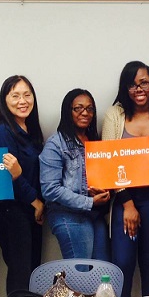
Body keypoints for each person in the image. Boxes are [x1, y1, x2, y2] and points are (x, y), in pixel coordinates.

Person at [102, 61, 149, 297]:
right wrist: (128, 204)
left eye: (144, 82)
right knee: (122, 262)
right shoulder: (114, 117)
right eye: (133, 84)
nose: (139, 89)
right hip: (126, 200)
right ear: (125, 88)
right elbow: (108, 161)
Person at [0, 75, 45, 295]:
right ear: (5, 100)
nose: (23, 101)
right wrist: (36, 201)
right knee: (21, 275)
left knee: (32, 272)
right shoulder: (3, 131)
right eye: (15, 96)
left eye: (27, 95)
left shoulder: (30, 130)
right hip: (12, 211)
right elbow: (11, 176)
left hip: (30, 211)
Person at [41, 89, 110, 260]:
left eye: (90, 109)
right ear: (67, 111)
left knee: (102, 273)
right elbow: (50, 189)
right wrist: (88, 201)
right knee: (81, 275)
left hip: (95, 214)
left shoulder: (95, 142)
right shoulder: (55, 144)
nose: (85, 113)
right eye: (78, 108)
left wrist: (102, 192)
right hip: (68, 215)